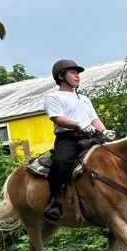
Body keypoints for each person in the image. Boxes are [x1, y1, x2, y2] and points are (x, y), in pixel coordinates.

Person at [42, 59, 116, 221]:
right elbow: (58, 119)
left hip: (90, 137)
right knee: (61, 162)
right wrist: (79, 124)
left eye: (78, 74)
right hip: (68, 139)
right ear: (61, 76)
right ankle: (55, 201)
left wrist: (104, 131)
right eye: (73, 73)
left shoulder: (84, 99)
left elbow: (95, 120)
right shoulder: (53, 97)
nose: (77, 76)